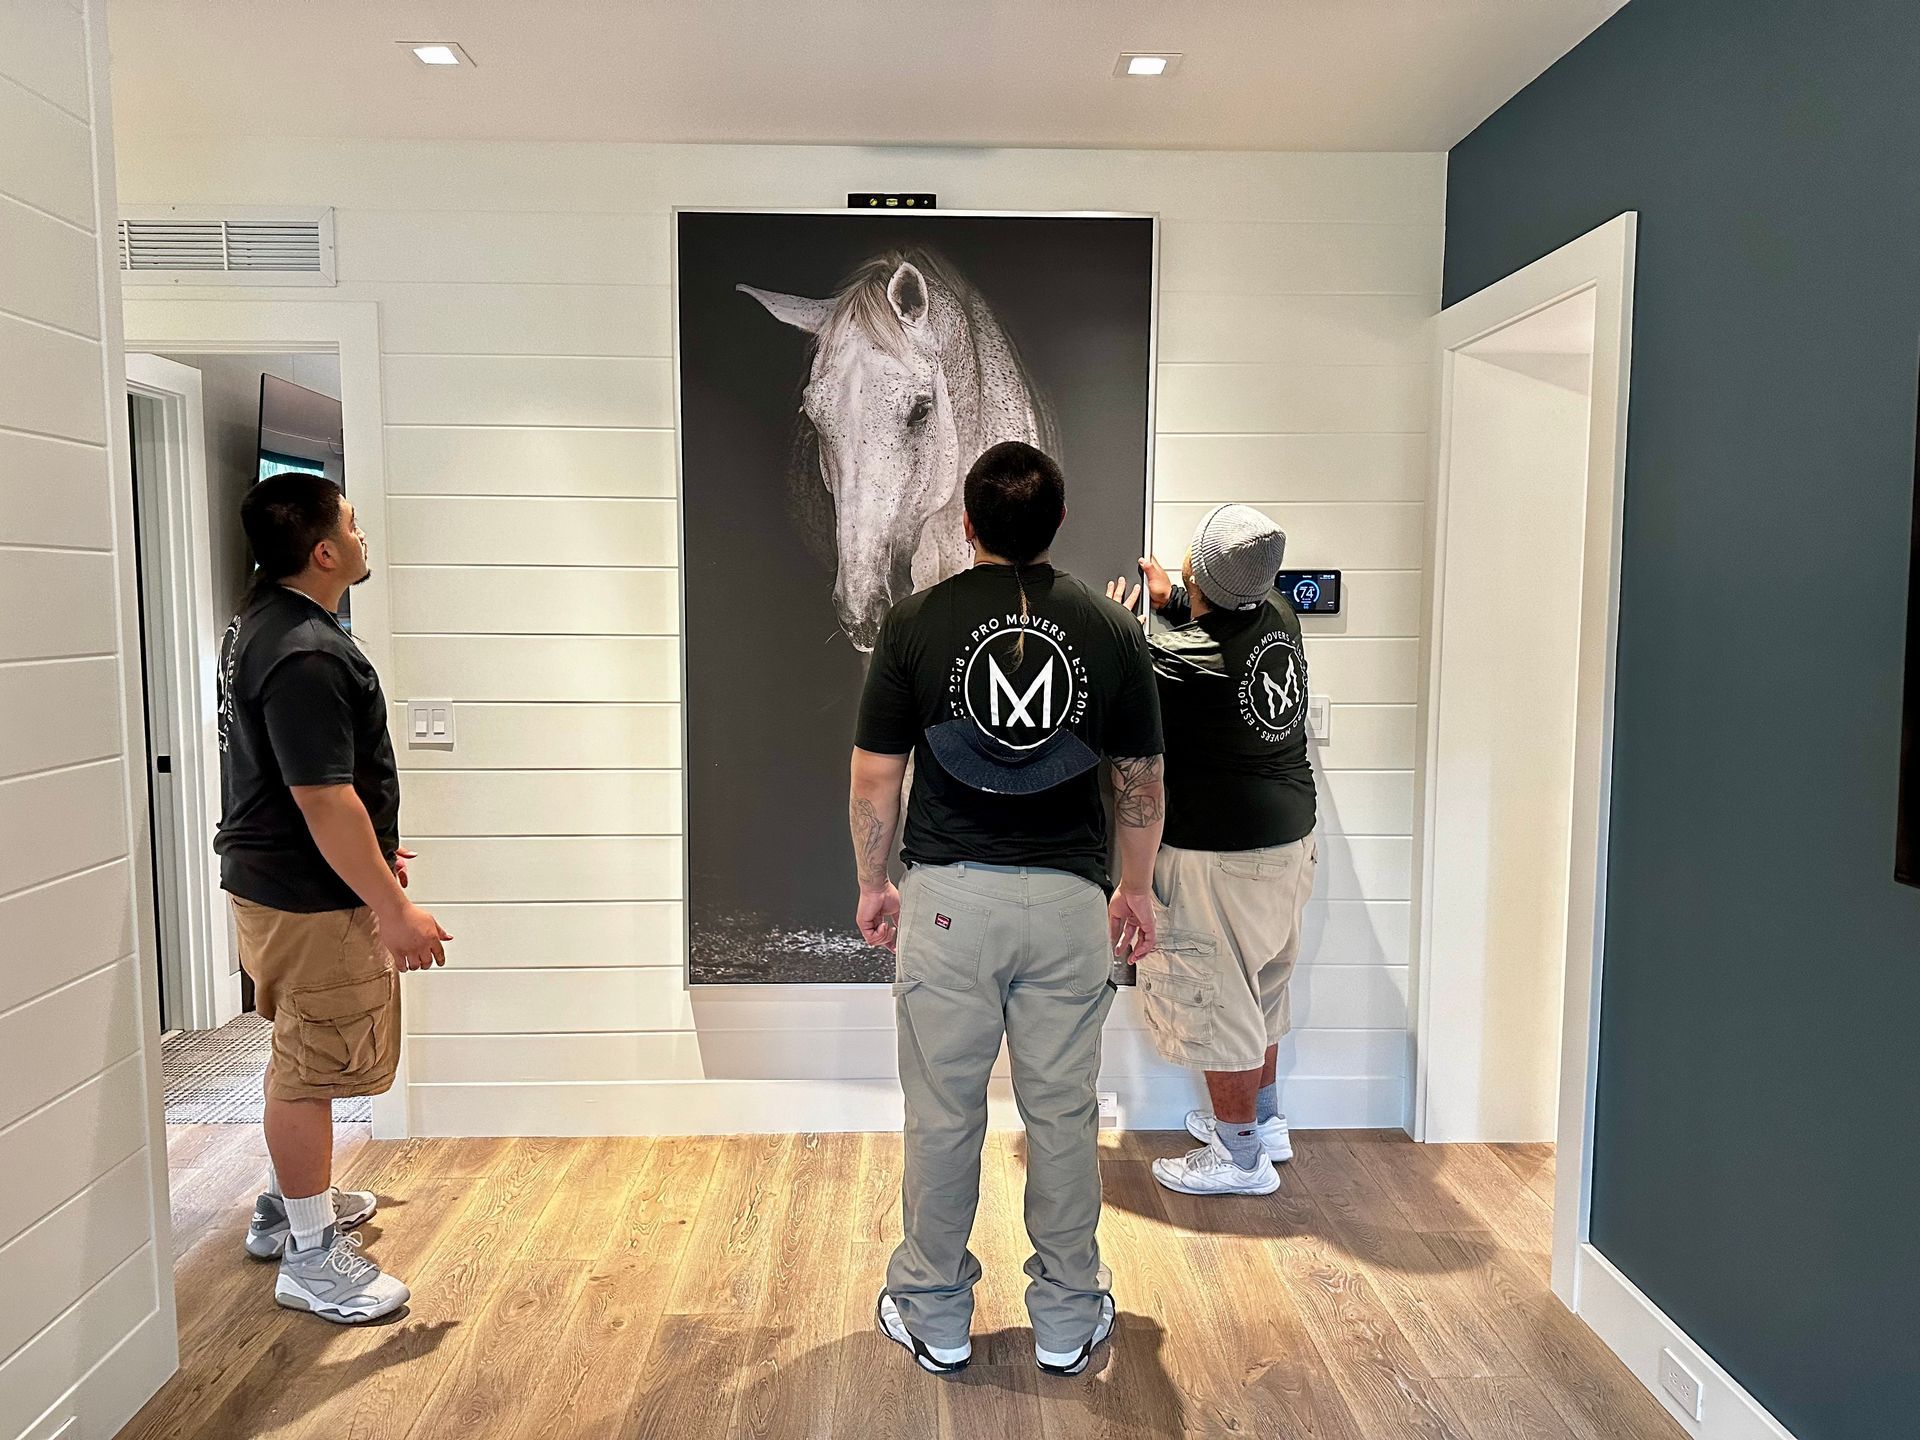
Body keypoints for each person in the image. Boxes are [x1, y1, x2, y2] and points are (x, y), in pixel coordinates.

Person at [850, 441, 1165, 1378]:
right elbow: (1141, 780)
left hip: (950, 901)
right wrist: (1136, 887)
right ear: (1058, 525)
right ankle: (1068, 1317)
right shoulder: (1110, 631)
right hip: (1070, 904)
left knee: (943, 1117)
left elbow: (877, 775)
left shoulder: (914, 624)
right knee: (1063, 1117)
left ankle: (936, 1314)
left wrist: (874, 883)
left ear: (967, 523)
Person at [215, 473, 452, 1323]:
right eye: (351, 523)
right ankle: (311, 1256)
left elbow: (308, 785)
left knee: (301, 1051)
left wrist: (375, 854)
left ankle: (291, 1207)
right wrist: (390, 906)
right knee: (310, 1066)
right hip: (305, 895)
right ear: (324, 552)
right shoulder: (308, 652)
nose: (361, 534)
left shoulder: (261, 624)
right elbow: (323, 797)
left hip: (283, 879)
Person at [1106, 504, 1315, 1198]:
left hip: (1219, 856)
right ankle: (1265, 1119)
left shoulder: (1175, 661)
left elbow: (1137, 675)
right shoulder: (1278, 614)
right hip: (1289, 842)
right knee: (1260, 985)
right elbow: (1213, 634)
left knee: (1217, 1000)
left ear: (1196, 572)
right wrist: (1175, 603)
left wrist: (1125, 622)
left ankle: (1239, 1155)